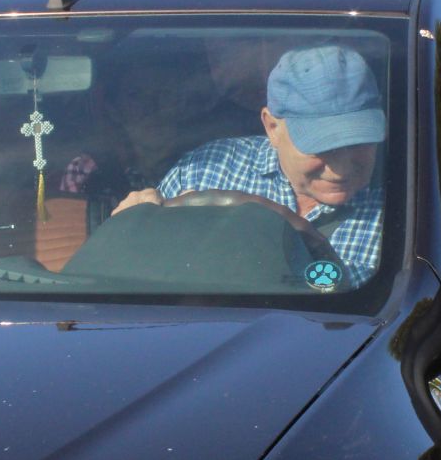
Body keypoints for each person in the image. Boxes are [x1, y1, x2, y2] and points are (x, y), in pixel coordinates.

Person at [115, 44, 386, 285]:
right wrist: (130, 227)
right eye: (320, 146)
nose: (341, 167)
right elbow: (134, 273)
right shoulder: (204, 172)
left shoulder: (412, 206)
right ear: (272, 127)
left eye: (358, 141)